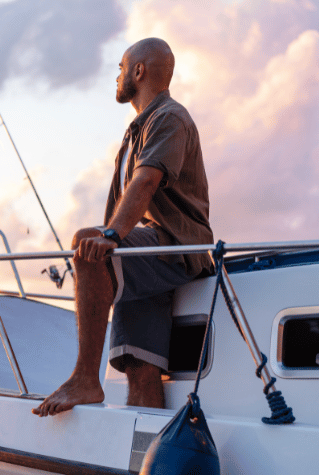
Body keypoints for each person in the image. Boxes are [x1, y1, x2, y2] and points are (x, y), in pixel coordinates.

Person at [33, 38, 213, 417]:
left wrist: (111, 236)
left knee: (87, 242)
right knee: (141, 369)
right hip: (147, 256)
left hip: (172, 248)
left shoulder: (169, 118)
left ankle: (85, 378)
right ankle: (142, 456)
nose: (115, 77)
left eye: (119, 68)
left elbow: (146, 182)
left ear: (138, 70)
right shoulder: (139, 128)